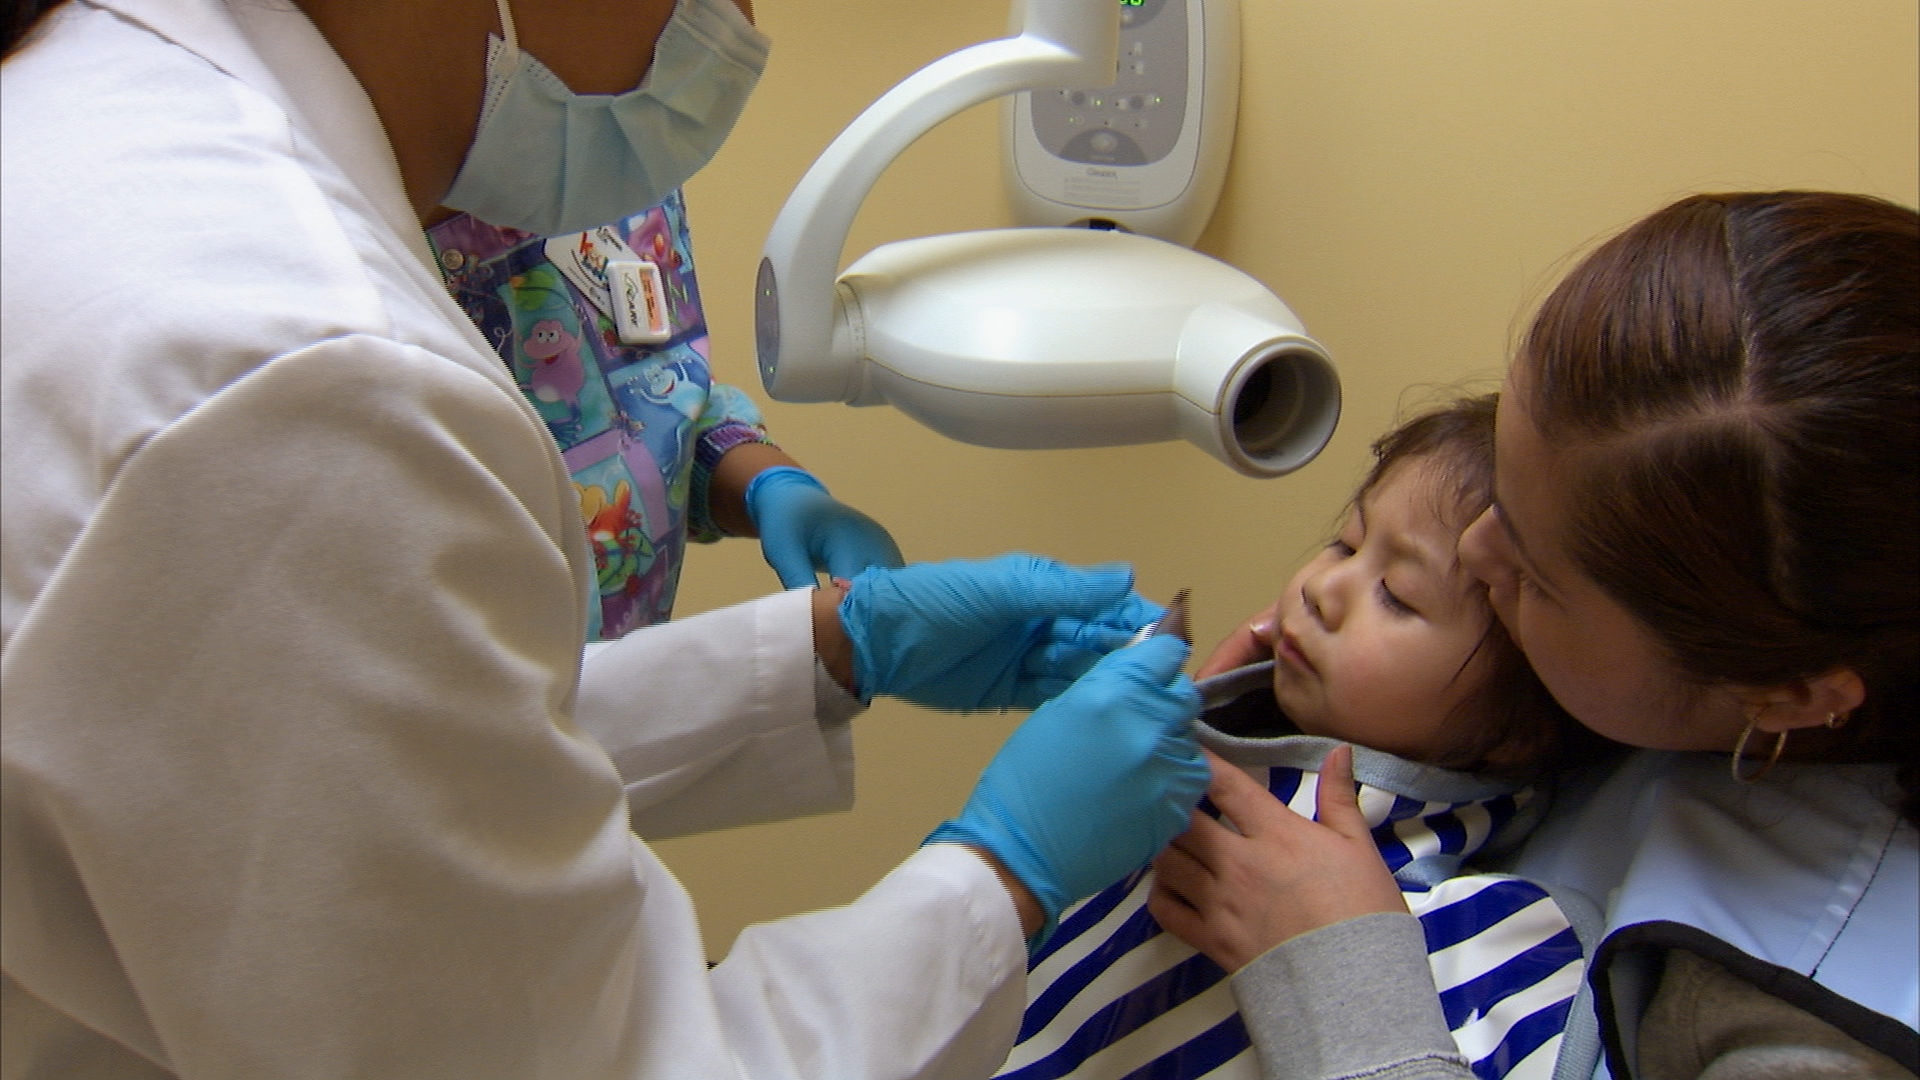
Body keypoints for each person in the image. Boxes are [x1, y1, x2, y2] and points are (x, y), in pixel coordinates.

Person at [0, 1, 1214, 1077]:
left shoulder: (115, 117)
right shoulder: (302, 389)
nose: (734, 23)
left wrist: (837, 650)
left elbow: (360, 781)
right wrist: (1004, 874)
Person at [1164, 192, 1919, 1080]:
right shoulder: (1716, 663)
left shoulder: (1812, 1034)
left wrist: (1342, 986)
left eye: (1532, 575)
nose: (1475, 554)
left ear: (1786, 694)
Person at [997, 394, 1616, 1080]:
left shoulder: (1509, 950)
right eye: (1345, 544)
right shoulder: (1157, 766)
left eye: (1399, 595)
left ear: (1516, 735)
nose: (1323, 586)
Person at [427, 192, 901, 638]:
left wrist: (771, 487)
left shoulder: (616, 176)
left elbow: (651, 403)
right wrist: (806, 660)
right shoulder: (371, 300)